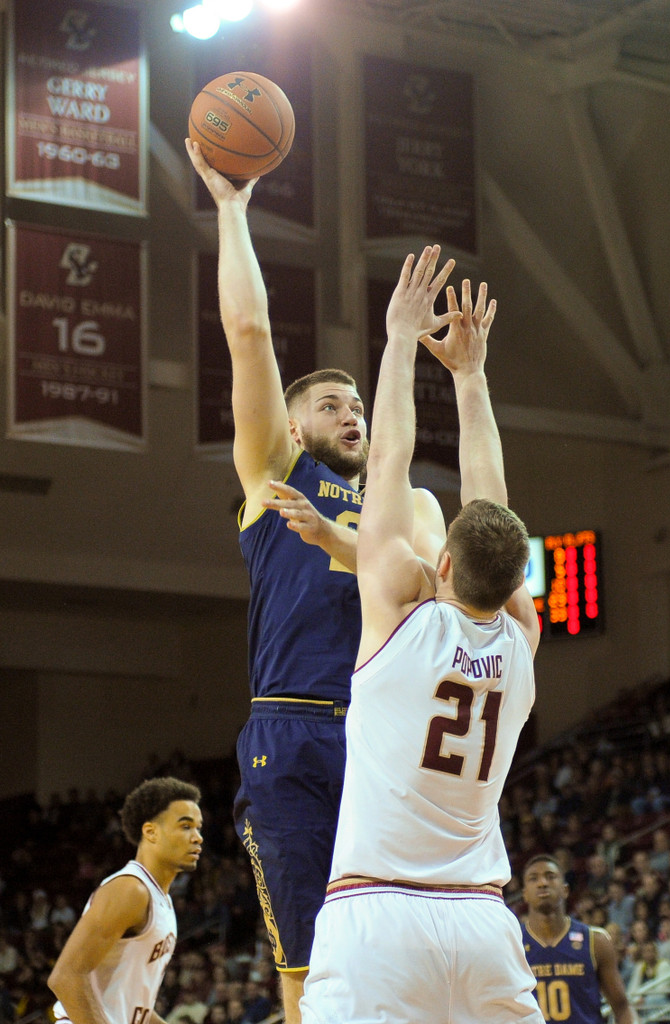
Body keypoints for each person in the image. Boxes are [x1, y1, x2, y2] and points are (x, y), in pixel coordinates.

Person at [185, 142, 446, 1024]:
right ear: (295, 427)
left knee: (396, 953)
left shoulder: (403, 504)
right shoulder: (276, 475)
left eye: (359, 405)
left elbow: (441, 594)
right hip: (291, 730)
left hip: (380, 734)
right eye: (331, 405)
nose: (351, 414)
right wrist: (232, 212)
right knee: (305, 965)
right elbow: (248, 335)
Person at [300, 247, 543, 1024]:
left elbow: (389, 457)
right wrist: (471, 379)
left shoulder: (400, 610)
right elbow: (489, 503)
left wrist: (402, 336)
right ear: (517, 584)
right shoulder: (522, 638)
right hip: (482, 922)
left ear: (439, 562)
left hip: (378, 914)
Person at [48, 777, 203, 1024]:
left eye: (198, 828)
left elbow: (130, 1007)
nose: (197, 837)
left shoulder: (161, 899)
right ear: (150, 832)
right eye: (185, 826)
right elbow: (65, 977)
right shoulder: (130, 890)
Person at [520, 854, 635, 1024]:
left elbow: (622, 1007)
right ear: (525, 894)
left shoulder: (595, 941)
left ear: (565, 890)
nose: (542, 883)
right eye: (533, 878)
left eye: (550, 877)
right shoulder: (512, 944)